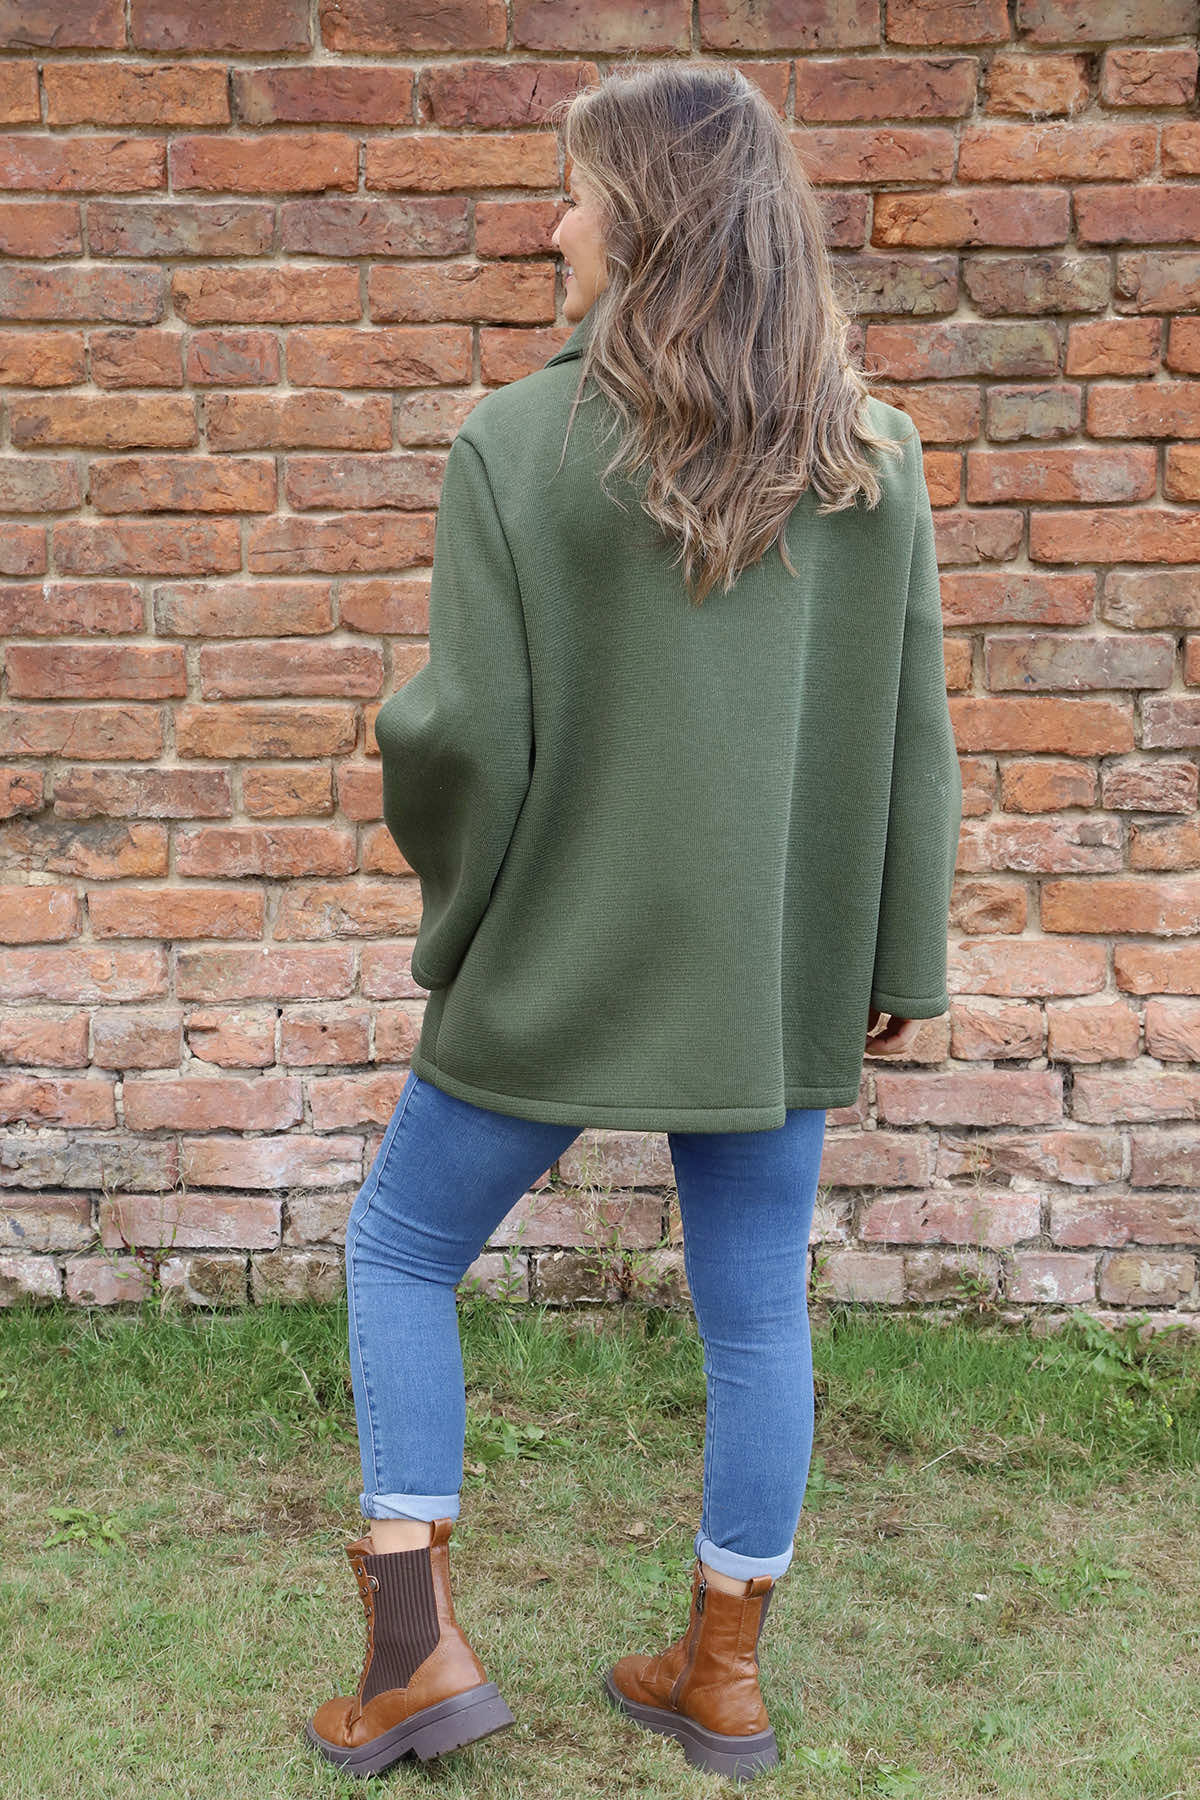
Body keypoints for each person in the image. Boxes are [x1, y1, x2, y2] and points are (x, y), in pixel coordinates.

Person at [306, 58, 962, 1785]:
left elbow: (463, 742)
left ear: (647, 222)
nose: (554, 227)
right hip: (767, 969)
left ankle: (416, 1653)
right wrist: (898, 955)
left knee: (400, 1250)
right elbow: (912, 734)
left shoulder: (518, 444)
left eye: (577, 196)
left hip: (562, 948)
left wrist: (453, 910)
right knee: (755, 1310)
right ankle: (722, 1678)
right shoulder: (868, 454)